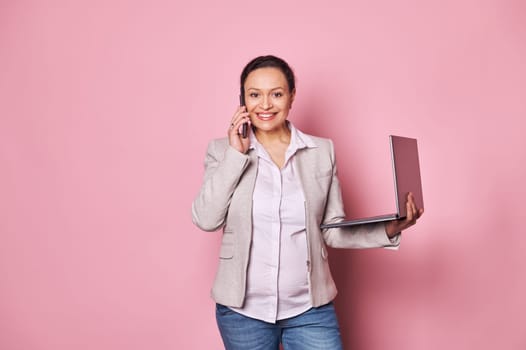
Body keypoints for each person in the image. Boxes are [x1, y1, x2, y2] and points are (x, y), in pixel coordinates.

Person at [191, 55, 423, 350]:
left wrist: (390, 228)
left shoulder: (320, 151)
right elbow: (206, 218)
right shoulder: (222, 150)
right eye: (254, 95)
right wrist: (236, 155)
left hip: (309, 310)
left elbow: (332, 230)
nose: (265, 105)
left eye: (276, 94)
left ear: (291, 97)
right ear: (242, 100)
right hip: (243, 313)